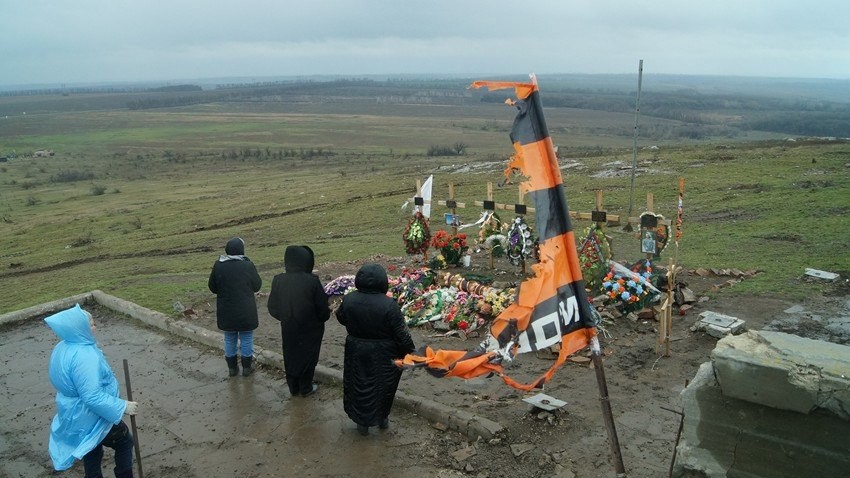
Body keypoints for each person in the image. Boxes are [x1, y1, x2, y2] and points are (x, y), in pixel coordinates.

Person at [44, 304, 138, 478]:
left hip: (73, 412)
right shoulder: (85, 356)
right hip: (93, 415)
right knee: (124, 442)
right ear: (80, 328)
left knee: (91, 447)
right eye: (92, 324)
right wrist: (122, 406)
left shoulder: (63, 347)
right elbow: (92, 396)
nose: (95, 327)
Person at [336, 263, 415, 435]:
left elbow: (340, 317)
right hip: (384, 353)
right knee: (382, 387)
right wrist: (409, 351)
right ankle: (381, 419)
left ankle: (361, 423)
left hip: (356, 349)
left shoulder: (349, 299)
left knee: (358, 383)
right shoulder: (389, 305)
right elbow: (401, 333)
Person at [267, 245, 331, 397]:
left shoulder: (279, 280)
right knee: (309, 356)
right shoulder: (312, 281)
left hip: (288, 326)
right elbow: (322, 308)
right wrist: (320, 319)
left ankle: (293, 387)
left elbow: (272, 306)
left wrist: (285, 317)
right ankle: (306, 387)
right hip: (311, 328)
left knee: (290, 354)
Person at [208, 237, 262, 377]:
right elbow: (257, 285)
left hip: (226, 309)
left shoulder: (218, 265)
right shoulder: (247, 265)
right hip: (246, 309)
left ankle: (232, 368)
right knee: (246, 336)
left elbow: (212, 287)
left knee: (229, 337)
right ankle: (247, 367)